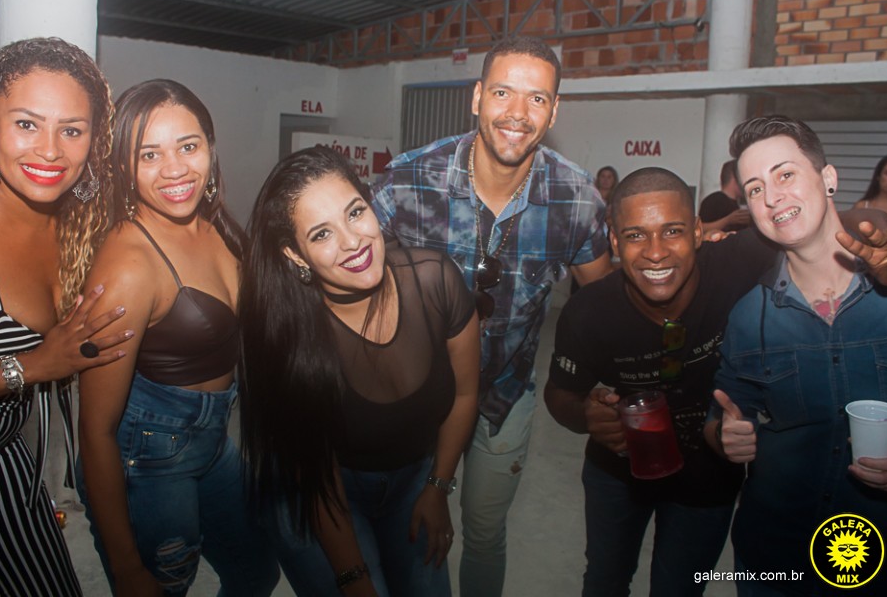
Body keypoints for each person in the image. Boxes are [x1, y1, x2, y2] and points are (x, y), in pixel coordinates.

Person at [371, 35, 611, 597]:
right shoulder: (408, 182)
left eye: (537, 98)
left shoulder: (576, 199)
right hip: (416, 394)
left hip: (505, 394)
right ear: (477, 97)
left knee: (483, 535)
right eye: (503, 92)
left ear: (554, 110)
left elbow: (602, 308)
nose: (517, 113)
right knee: (410, 532)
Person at [0, 37, 131, 596]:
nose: (50, 151)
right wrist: (31, 366)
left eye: (72, 130)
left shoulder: (72, 219)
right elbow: (40, 362)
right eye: (26, 124)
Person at [240, 146, 479, 596]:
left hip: (414, 477)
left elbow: (466, 394)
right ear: (295, 255)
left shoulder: (436, 281)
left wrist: (437, 486)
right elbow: (318, 478)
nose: (352, 241)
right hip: (319, 493)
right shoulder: (290, 335)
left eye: (355, 212)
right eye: (321, 234)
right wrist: (353, 578)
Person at [76, 80, 279, 597]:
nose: (175, 169)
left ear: (210, 146)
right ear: (124, 165)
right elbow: (96, 431)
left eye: (188, 146)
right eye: (149, 154)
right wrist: (126, 568)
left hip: (212, 440)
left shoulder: (213, 224)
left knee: (256, 571)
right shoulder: (129, 265)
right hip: (148, 456)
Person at [544, 167, 777, 597]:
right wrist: (586, 416)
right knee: (605, 582)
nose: (655, 253)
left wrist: (875, 233)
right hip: (618, 472)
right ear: (615, 243)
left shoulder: (736, 264)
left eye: (672, 231)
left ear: (698, 231)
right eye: (635, 235)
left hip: (710, 472)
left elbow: (825, 229)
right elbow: (559, 394)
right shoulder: (589, 312)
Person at [705, 115, 887, 595]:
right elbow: (722, 415)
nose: (772, 198)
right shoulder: (749, 317)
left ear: (828, 178)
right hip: (776, 558)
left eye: (785, 174)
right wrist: (725, 437)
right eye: (755, 188)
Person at [699, 159, 752, 233]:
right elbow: (700, 228)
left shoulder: (741, 203)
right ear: (735, 178)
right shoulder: (713, 200)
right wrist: (728, 220)